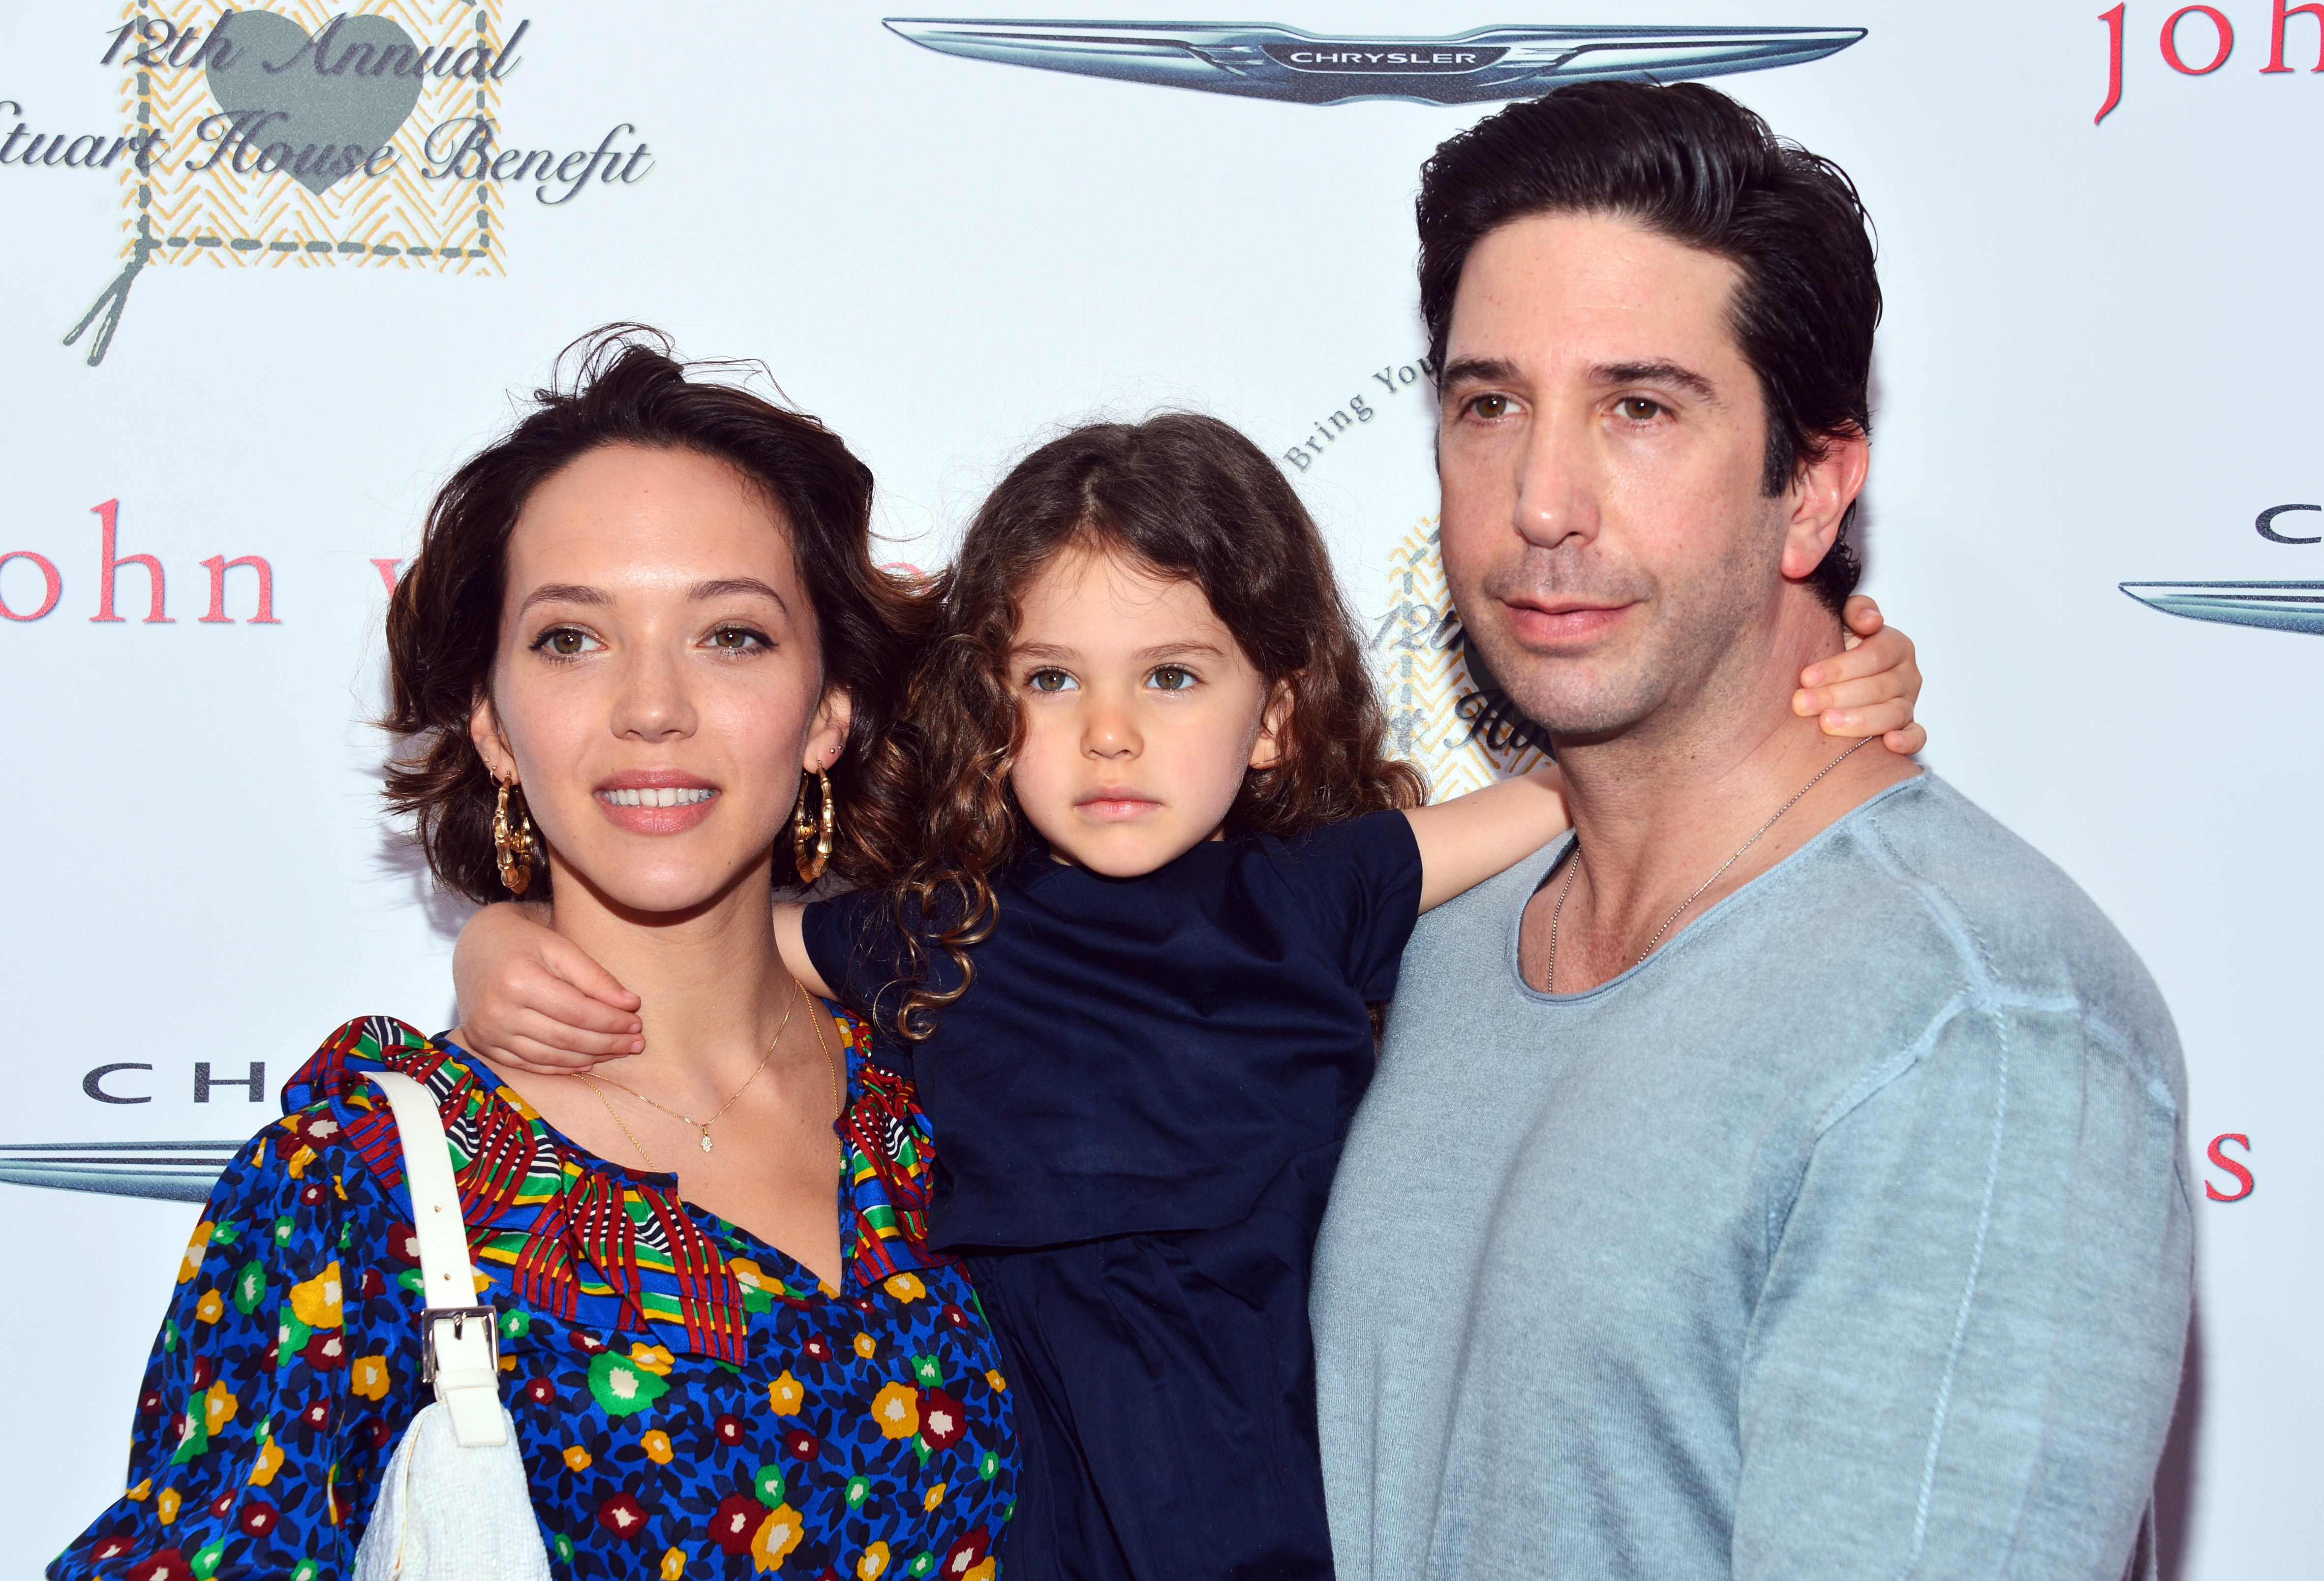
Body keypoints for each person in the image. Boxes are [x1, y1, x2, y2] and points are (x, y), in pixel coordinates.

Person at [450, 412, 1926, 1579]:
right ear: (989, 712)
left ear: (1273, 713)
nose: (1106, 735)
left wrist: (1818, 694)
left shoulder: (1320, 895)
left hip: (1271, 1473)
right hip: (1026, 1487)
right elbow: (703, 923)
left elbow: (1580, 792)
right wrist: (502, 936)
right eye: (1049, 682)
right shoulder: (933, 933)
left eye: (1169, 676)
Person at [1306, 81, 2192, 1580]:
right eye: (1489, 403)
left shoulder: (1978, 1018)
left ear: (1813, 489)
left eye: (1640, 408)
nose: (1539, 499)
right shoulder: (1430, 946)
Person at [49, 331, 1017, 1581]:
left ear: (829, 710)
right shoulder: (368, 1182)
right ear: (494, 725)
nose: (652, 705)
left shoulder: (947, 1086)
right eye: (572, 638)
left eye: (732, 635)